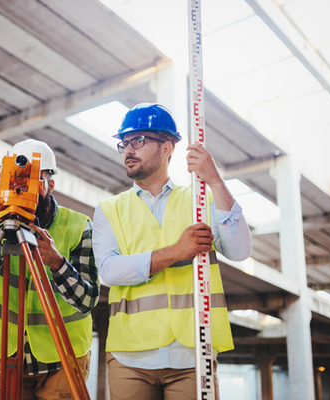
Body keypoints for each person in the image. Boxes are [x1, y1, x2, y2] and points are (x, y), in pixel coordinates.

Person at [92, 103, 252, 400]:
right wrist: (176, 251)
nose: (128, 150)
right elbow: (108, 272)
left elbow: (240, 249)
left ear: (167, 147)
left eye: (138, 141)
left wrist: (215, 181)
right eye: (124, 143)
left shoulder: (200, 198)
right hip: (131, 356)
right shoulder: (108, 209)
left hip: (193, 354)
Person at [0, 139, 99, 400]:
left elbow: (88, 299)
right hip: (12, 353)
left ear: (50, 185)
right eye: (16, 179)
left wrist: (57, 263)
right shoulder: (1, 223)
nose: (23, 185)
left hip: (64, 357)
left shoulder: (79, 226)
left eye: (34, 178)